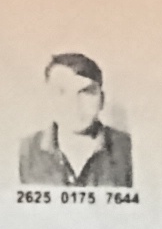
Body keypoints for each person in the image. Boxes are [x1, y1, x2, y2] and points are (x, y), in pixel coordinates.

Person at [18, 51, 136, 190]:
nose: (74, 104)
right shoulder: (25, 150)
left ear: (102, 100)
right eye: (62, 92)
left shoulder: (128, 148)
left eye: (86, 92)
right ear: (48, 99)